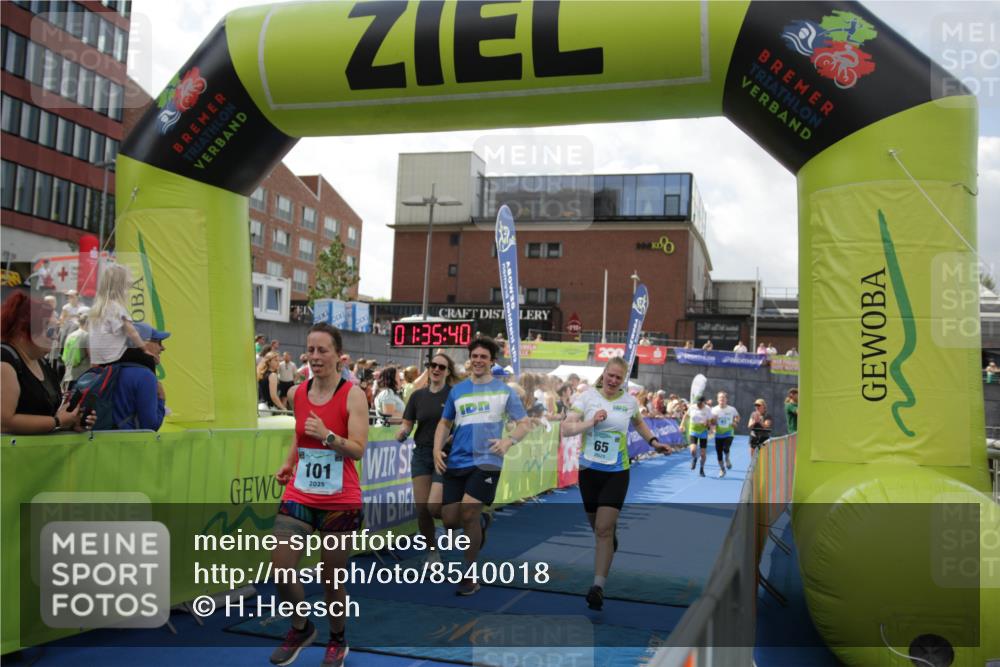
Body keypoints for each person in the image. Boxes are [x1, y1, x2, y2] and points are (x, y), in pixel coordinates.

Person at [269, 323, 369, 667]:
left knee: (331, 579)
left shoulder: (353, 395)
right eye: (310, 350)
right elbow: (300, 435)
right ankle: (300, 628)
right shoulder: (297, 393)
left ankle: (337, 638)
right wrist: (288, 463)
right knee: (281, 568)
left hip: (340, 499)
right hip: (300, 492)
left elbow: (358, 449)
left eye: (322, 350)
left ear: (339, 356)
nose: (314, 356)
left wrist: (328, 436)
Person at [561, 357, 671, 610]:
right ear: (604, 374)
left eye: (618, 378)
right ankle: (611, 537)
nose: (613, 380)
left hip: (617, 471)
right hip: (588, 471)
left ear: (623, 380)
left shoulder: (629, 402)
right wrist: (590, 422)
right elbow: (566, 429)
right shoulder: (587, 397)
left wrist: (654, 442)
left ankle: (598, 586)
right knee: (598, 528)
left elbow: (639, 423)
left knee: (603, 529)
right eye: (610, 375)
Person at [433, 337, 531, 596]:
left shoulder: (504, 391)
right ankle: (482, 522)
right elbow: (444, 424)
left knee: (468, 512)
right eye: (474, 356)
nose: (478, 360)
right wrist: (436, 450)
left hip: (488, 461)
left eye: (483, 357)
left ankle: (469, 575)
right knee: (449, 520)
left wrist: (508, 441)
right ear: (470, 359)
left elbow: (525, 423)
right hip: (457, 460)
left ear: (492, 361)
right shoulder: (457, 390)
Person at [397, 353, 460, 564]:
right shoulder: (417, 396)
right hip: (422, 454)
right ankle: (433, 552)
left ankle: (463, 520)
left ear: (448, 372)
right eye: (433, 365)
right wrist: (403, 432)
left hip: (445, 454)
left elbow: (462, 425)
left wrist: (449, 439)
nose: (436, 369)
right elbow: (408, 423)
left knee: (435, 507)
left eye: (442, 367)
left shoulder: (454, 395)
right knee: (422, 508)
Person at [1, 293, 90, 434]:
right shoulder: (5, 360)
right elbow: (4, 423)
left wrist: (72, 419)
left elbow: (46, 413)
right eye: (50, 331)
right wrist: (58, 421)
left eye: (56, 330)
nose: (55, 336)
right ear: (23, 331)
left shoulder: (40, 361)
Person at [104, 323, 169, 431]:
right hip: (129, 441)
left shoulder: (109, 369)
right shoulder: (144, 376)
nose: (162, 348)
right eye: (159, 342)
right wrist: (161, 399)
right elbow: (150, 426)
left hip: (100, 439)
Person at [88, 263, 147, 366]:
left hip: (97, 358)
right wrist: (145, 349)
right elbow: (132, 333)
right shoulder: (116, 308)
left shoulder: (97, 308)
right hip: (114, 357)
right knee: (148, 360)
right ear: (121, 287)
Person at [681, 393, 714, 477]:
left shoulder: (708, 409)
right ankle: (694, 458)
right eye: (697, 403)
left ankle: (702, 469)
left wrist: (707, 424)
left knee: (703, 454)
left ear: (704, 402)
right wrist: (682, 425)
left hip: (703, 432)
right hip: (693, 430)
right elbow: (686, 416)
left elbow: (710, 422)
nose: (698, 405)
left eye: (700, 403)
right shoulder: (692, 407)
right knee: (693, 450)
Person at [711, 392, 740, 477]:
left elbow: (737, 416)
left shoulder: (731, 409)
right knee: (719, 454)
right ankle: (722, 469)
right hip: (718, 434)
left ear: (726, 399)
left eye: (723, 397)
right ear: (717, 399)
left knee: (726, 447)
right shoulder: (714, 410)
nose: (722, 399)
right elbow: (711, 422)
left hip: (728, 433)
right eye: (720, 398)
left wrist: (735, 422)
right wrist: (713, 422)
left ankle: (727, 459)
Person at [61, 313, 91, 392]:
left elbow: (65, 354)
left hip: (69, 375)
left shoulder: (70, 335)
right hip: (82, 377)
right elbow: (92, 357)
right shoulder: (87, 336)